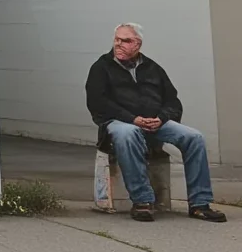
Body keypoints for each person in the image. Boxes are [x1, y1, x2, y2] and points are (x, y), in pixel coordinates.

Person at [85, 23, 227, 223]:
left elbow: (173, 101)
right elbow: (97, 103)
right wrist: (133, 119)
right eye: (116, 39)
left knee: (194, 137)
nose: (118, 44)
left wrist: (161, 118)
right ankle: (142, 201)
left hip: (154, 122)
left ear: (138, 44)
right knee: (128, 133)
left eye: (125, 40)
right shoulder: (101, 68)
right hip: (119, 122)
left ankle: (199, 203)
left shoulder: (153, 68)